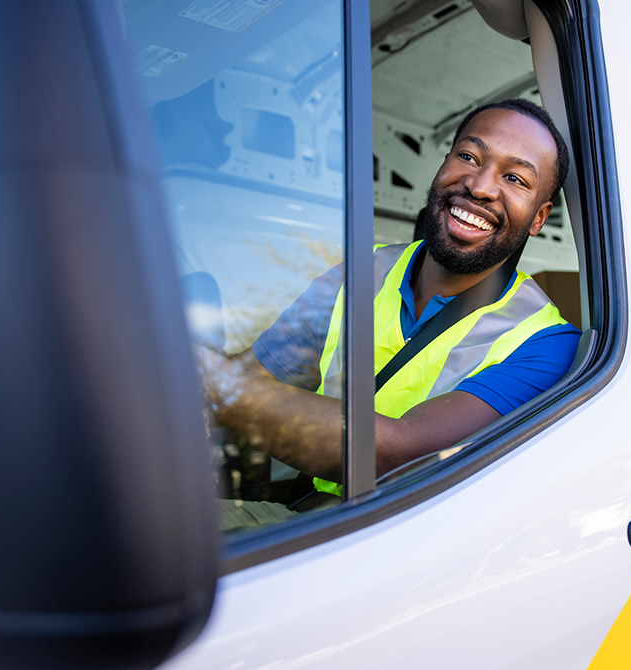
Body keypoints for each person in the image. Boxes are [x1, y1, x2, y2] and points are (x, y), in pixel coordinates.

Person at [197, 98, 581, 511]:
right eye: (468, 156)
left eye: (515, 178)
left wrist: (215, 381)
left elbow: (397, 455)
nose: (481, 186)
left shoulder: (546, 344)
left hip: (406, 541)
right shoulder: (358, 273)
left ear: (539, 218)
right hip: (310, 516)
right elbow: (251, 377)